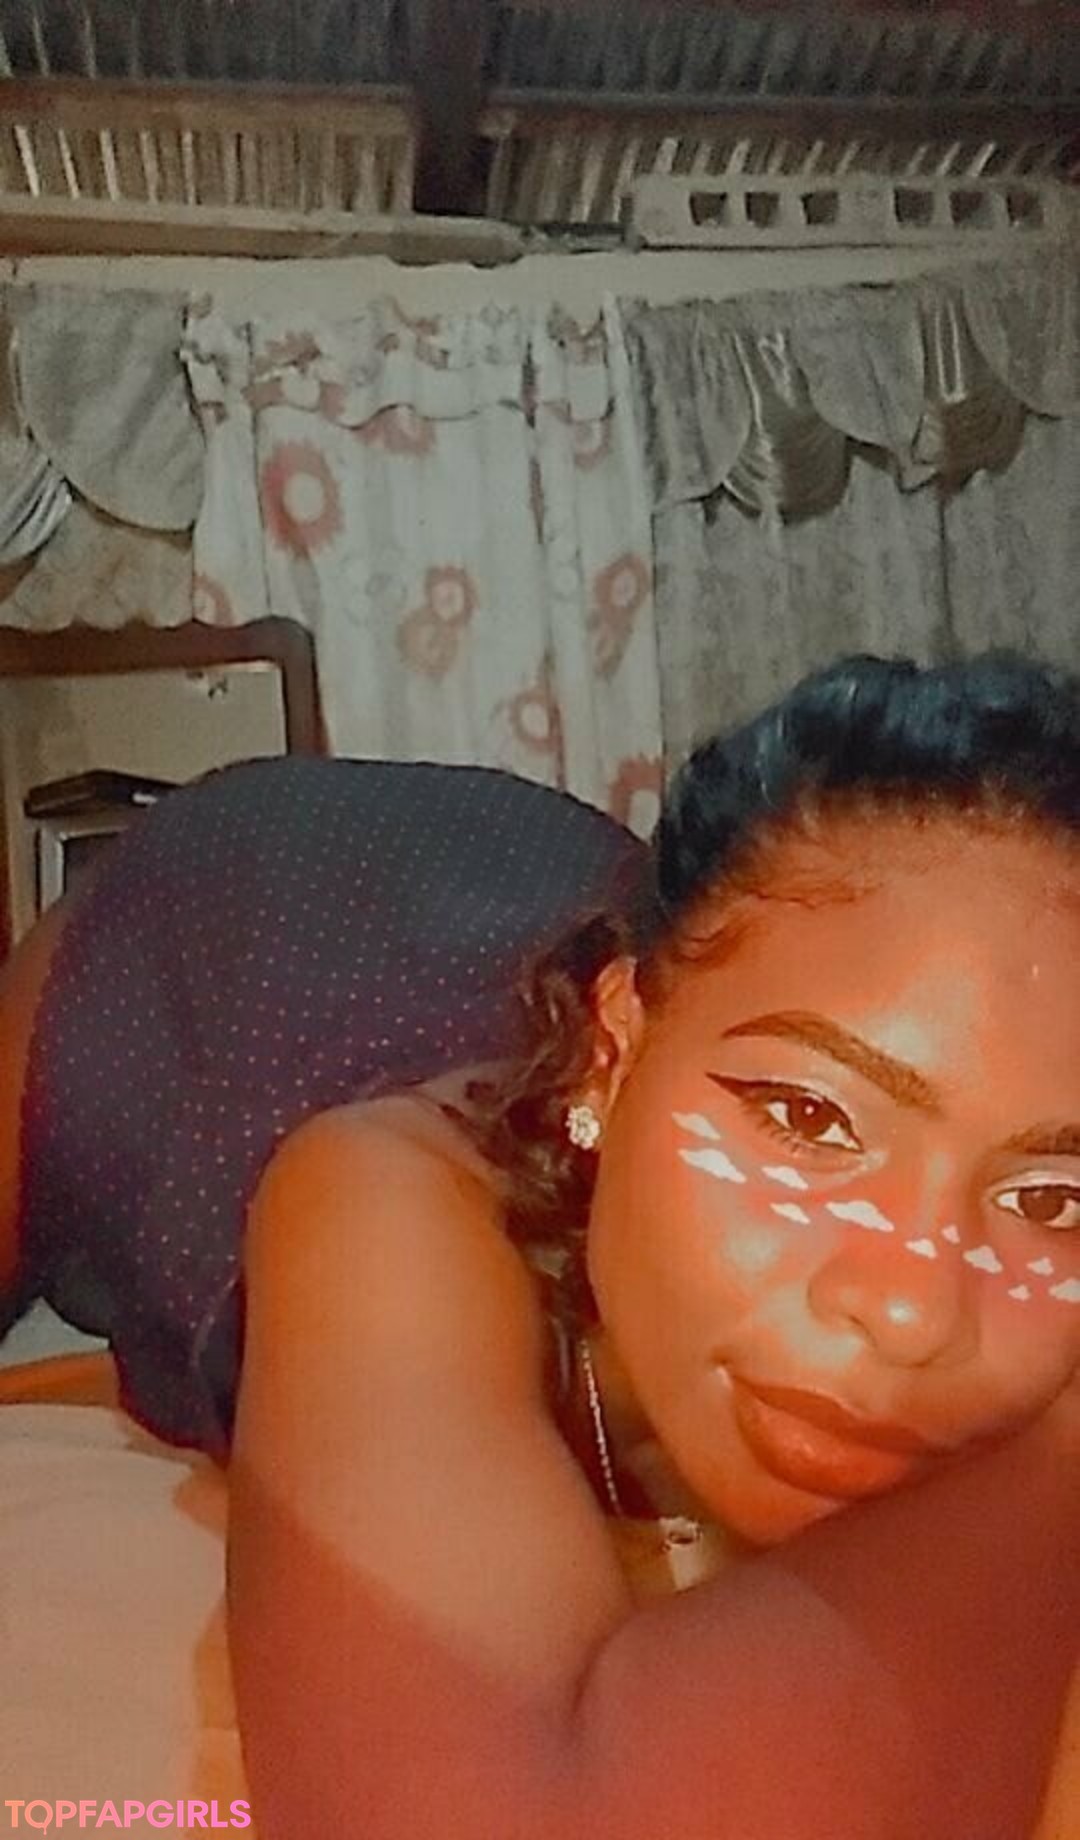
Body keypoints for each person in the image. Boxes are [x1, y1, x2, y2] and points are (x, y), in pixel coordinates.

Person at [2, 654, 1078, 1838]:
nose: (912, 1306)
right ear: (611, 1055)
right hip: (230, 916)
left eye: (1051, 1197)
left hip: (556, 887)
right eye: (807, 1117)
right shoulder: (395, 1186)